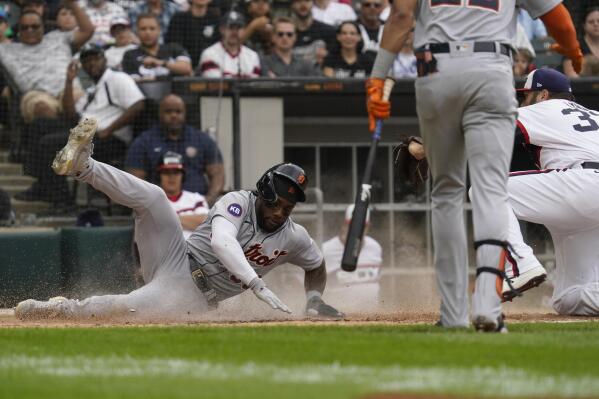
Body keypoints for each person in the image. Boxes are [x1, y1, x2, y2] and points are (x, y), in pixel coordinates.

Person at [365, 0, 582, 331]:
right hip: (491, 67)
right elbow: (559, 18)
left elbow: (401, 16)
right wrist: (571, 50)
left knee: (447, 192)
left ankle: (452, 314)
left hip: (435, 70)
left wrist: (378, 77)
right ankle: (487, 303)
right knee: (491, 190)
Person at [15, 119, 344, 321]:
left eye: (289, 206)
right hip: (175, 255)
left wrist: (314, 298)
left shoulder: (293, 236)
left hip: (190, 292)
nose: (281, 211)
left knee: (124, 307)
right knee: (156, 199)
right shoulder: (238, 202)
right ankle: (84, 167)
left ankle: (60, 310)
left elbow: (315, 265)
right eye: (278, 202)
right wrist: (256, 283)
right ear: (264, 192)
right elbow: (222, 242)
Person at [408, 69, 599, 316]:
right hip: (584, 199)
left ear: (542, 94)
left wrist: (427, 146)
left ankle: (520, 263)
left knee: (486, 190)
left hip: (583, 184)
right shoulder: (594, 114)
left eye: (526, 95)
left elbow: (487, 129)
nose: (522, 101)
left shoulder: (545, 108)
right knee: (567, 299)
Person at [0, 4, 94, 123]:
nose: (30, 30)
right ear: (18, 30)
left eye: (35, 26)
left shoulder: (58, 37)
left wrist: (72, 4)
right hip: (37, 94)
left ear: (42, 27)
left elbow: (88, 30)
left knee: (80, 101)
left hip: (68, 88)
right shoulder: (6, 49)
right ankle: (58, 139)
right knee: (42, 108)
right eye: (25, 27)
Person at [125, 94, 224, 205]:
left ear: (185, 113)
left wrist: (207, 202)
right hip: (158, 206)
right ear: (160, 113)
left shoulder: (202, 139)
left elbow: (218, 174)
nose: (174, 116)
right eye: (168, 111)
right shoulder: (144, 142)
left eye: (178, 112)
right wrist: (148, 204)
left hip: (196, 206)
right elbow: (134, 181)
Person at [322, 205, 382, 310]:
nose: (356, 229)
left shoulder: (375, 247)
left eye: (362, 226)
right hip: (340, 317)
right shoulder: (325, 250)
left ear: (368, 227)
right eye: (351, 225)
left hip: (373, 315)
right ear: (344, 225)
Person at [122, 13, 193, 80]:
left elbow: (187, 69)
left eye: (152, 28)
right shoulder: (130, 55)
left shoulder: (174, 48)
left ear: (159, 30)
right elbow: (131, 81)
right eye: (143, 29)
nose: (148, 33)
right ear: (137, 31)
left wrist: (160, 63)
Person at [157, 151, 210, 240]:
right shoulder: (153, 201)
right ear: (159, 176)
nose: (171, 177)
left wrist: (167, 219)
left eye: (176, 172)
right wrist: (189, 221)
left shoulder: (196, 199)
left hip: (194, 252)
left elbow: (205, 224)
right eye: (166, 172)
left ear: (183, 176)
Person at [197, 11, 261, 78]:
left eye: (238, 28)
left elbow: (254, 85)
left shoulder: (253, 56)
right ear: (222, 29)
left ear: (243, 30)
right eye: (230, 27)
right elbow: (215, 85)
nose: (234, 32)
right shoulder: (209, 54)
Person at [164, 0, 220, 67]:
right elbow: (173, 46)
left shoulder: (216, 20)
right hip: (184, 68)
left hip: (210, 66)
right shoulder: (179, 19)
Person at [290, 0, 335, 67]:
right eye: (298, 1)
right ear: (292, 5)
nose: (303, 4)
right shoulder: (284, 33)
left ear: (313, 3)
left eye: (307, 1)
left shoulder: (328, 31)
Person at [563, 7, 599, 77]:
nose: (596, 24)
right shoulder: (574, 46)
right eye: (591, 22)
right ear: (584, 26)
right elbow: (571, 75)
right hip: (582, 85)